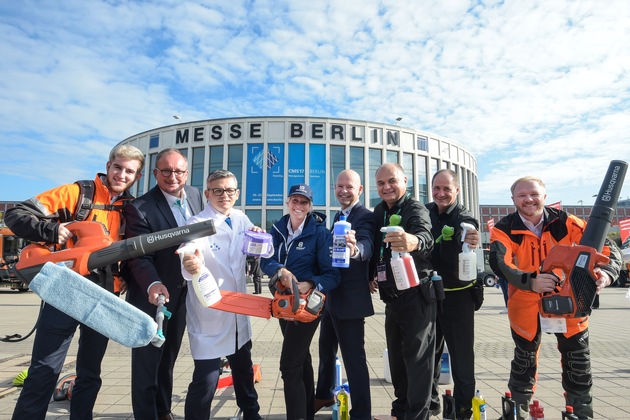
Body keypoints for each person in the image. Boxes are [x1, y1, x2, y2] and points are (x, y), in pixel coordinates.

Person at [5, 144, 144, 420]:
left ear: (137, 177)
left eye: (130, 171)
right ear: (108, 166)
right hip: (64, 291)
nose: (122, 175)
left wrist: (125, 277)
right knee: (44, 369)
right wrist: (51, 229)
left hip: (105, 296)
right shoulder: (75, 193)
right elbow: (16, 213)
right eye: (118, 167)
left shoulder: (132, 208)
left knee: (91, 373)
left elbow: (132, 252)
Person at [489, 176, 622, 420]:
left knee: (578, 360)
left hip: (571, 298)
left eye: (534, 194)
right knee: (524, 360)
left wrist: (607, 274)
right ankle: (517, 413)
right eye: (522, 195)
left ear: (544, 196)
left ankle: (581, 414)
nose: (528, 199)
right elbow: (501, 263)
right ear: (513, 199)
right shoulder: (503, 229)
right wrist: (531, 281)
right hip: (525, 301)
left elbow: (607, 249)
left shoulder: (567, 221)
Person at [123, 148, 204, 420]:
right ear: (156, 173)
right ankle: (146, 415)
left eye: (178, 171)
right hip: (151, 295)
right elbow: (138, 256)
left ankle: (163, 410)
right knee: (147, 362)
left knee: (168, 358)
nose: (173, 177)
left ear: (186, 172)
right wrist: (153, 283)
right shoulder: (139, 207)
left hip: (183, 294)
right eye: (166, 171)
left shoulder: (195, 195)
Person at [179, 170, 262, 420]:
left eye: (229, 190)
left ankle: (251, 414)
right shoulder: (196, 222)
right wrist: (189, 261)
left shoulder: (241, 218)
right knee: (206, 379)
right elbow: (188, 248)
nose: (224, 195)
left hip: (238, 310)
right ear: (207, 193)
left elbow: (253, 248)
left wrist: (257, 235)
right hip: (210, 313)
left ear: (236, 194)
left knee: (244, 370)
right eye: (217, 190)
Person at [260, 184, 341, 420]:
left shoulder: (320, 233)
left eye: (304, 202)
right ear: (287, 202)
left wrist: (311, 283)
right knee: (301, 357)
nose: (298, 205)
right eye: (295, 200)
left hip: (307, 306)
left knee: (289, 366)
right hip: (283, 304)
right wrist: (280, 270)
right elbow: (266, 261)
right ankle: (306, 413)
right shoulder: (277, 229)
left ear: (310, 206)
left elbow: (333, 274)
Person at [370, 163, 436, 419]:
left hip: (417, 294)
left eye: (392, 181)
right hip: (392, 297)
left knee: (418, 361)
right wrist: (371, 275)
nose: (386, 187)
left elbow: (425, 236)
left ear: (405, 181)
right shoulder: (379, 210)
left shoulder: (415, 208)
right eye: (381, 183)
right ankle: (400, 409)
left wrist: (415, 241)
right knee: (397, 360)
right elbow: (377, 247)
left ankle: (417, 415)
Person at [314, 169, 376, 419]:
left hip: (350, 300)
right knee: (325, 350)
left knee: (354, 358)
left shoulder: (365, 216)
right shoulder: (338, 215)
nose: (343, 191)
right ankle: (324, 394)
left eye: (349, 187)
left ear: (359, 190)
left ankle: (361, 412)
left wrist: (354, 251)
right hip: (332, 297)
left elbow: (367, 244)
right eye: (339, 186)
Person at [426, 169, 480, 419]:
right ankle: (432, 402)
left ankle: (463, 408)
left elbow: (470, 230)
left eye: (447, 188)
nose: (441, 193)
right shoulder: (425, 212)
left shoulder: (463, 217)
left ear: (457, 190)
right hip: (428, 295)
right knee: (428, 354)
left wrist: (472, 237)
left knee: (461, 356)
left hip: (458, 297)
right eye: (437, 188)